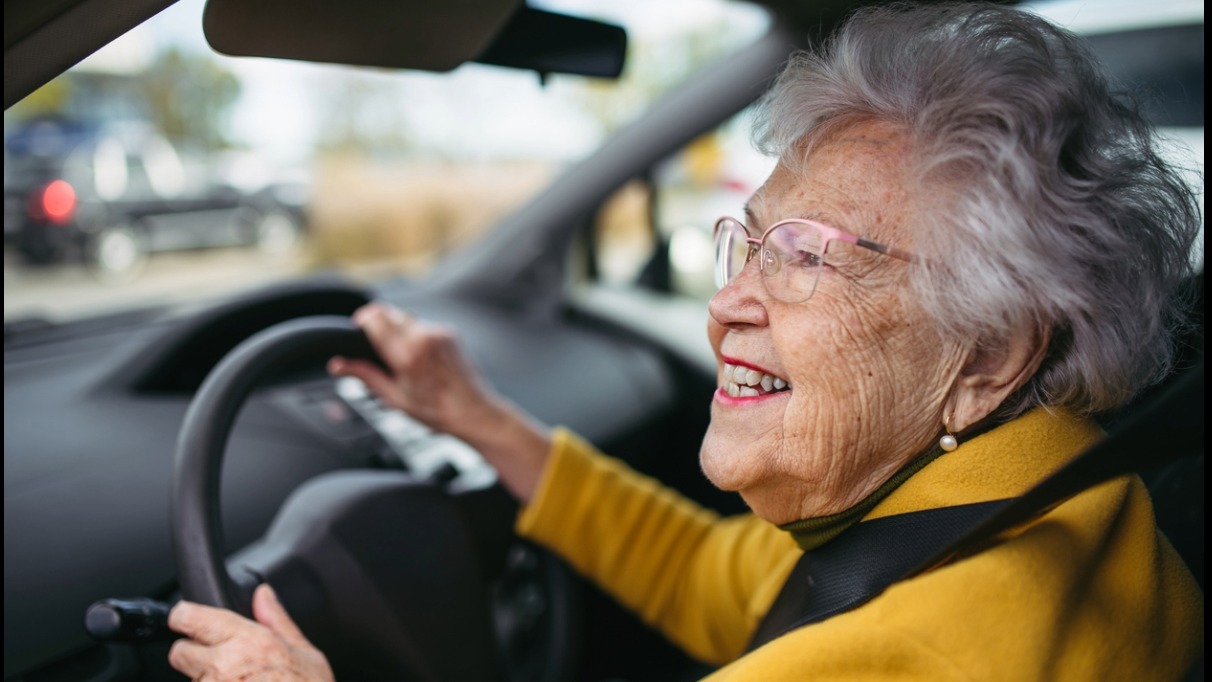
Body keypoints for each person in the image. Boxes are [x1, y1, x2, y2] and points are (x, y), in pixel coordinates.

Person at [166, 2, 1204, 680]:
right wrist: (482, 422)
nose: (728, 304)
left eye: (803, 255)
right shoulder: (1056, 487)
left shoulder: (903, 654)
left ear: (988, 356)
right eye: (744, 244)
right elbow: (719, 576)